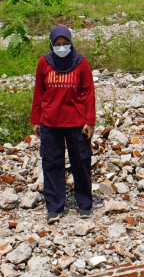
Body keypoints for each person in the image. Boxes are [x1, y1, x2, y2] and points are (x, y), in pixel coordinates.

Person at [32, 25, 96, 222]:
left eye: (65, 43)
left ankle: (84, 204)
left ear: (71, 43)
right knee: (52, 163)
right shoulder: (44, 63)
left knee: (81, 163)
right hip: (50, 122)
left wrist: (90, 121)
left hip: (76, 121)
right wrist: (36, 119)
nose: (61, 47)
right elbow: (39, 91)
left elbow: (89, 92)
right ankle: (54, 207)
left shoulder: (81, 63)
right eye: (57, 44)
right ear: (51, 45)